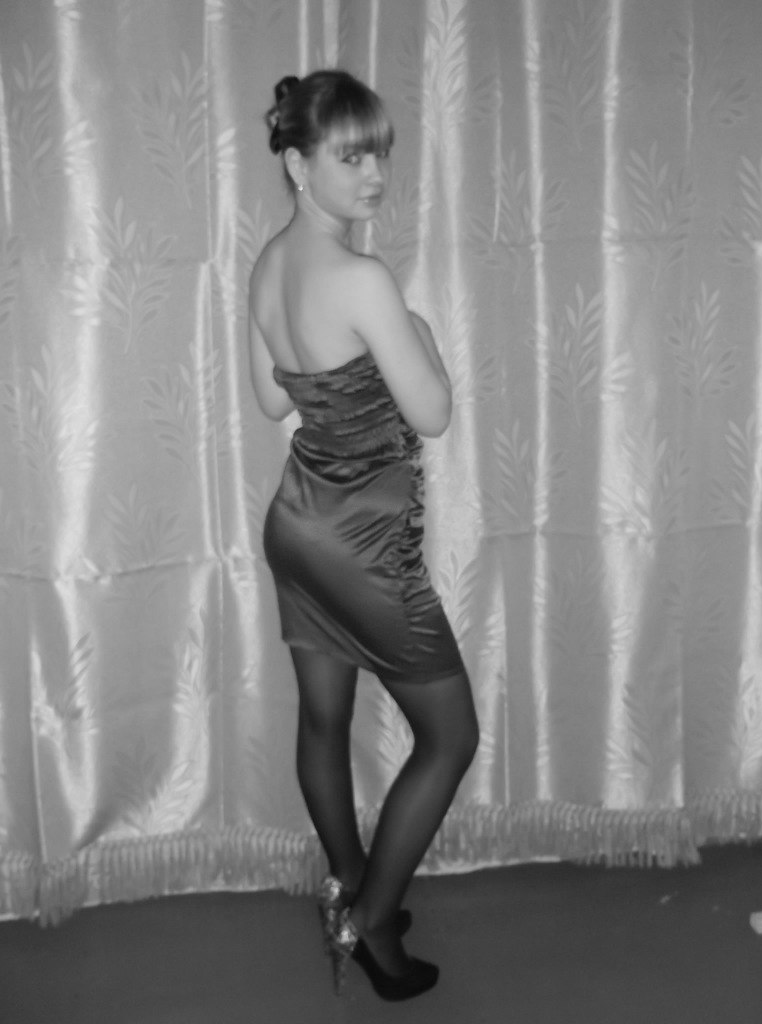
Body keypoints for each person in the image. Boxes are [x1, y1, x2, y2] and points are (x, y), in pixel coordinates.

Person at [248, 69, 479, 1002]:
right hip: (363, 546)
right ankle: (373, 919)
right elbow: (433, 414)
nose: (375, 173)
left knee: (323, 720)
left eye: (380, 152)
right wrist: (419, 334)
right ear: (300, 165)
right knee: (451, 735)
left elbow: (273, 400)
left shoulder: (269, 265)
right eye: (351, 156)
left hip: (299, 524)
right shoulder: (363, 278)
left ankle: (348, 886)